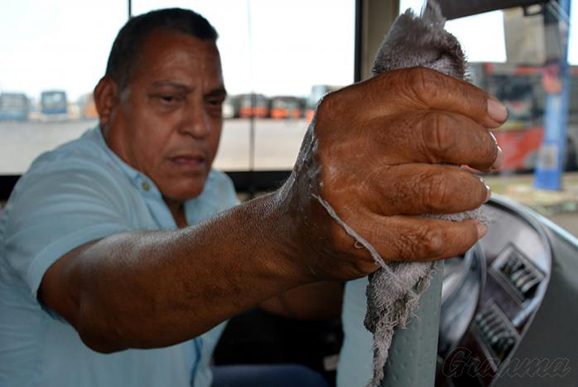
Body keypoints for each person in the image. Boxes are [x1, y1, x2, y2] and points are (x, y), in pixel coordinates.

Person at [0, 7, 506, 387]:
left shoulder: (210, 189)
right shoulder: (59, 184)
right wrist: (290, 226)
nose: (199, 126)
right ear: (109, 101)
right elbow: (100, 301)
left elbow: (282, 290)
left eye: (214, 103)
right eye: (170, 99)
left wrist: (380, 261)